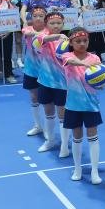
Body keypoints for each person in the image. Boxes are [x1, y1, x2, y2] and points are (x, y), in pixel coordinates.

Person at [58, 28, 105, 184]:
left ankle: (94, 171)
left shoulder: (95, 58)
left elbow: (100, 80)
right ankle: (77, 169)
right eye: (78, 41)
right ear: (71, 43)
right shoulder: (67, 56)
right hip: (73, 105)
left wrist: (101, 83)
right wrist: (84, 64)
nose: (82, 44)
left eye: (85, 40)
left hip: (91, 105)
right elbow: (71, 62)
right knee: (77, 137)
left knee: (93, 137)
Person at [34, 11, 70, 156]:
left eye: (59, 23)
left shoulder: (68, 41)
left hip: (62, 84)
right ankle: (50, 140)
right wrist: (56, 37)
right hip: (45, 81)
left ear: (63, 24)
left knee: (62, 115)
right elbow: (40, 40)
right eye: (52, 23)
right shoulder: (42, 36)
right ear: (46, 24)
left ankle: (65, 146)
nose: (56, 26)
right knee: (48, 112)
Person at [19, 6, 47, 133]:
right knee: (34, 97)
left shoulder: (49, 30)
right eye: (35, 16)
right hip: (31, 70)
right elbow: (27, 33)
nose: (38, 18)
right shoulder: (27, 29)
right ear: (31, 17)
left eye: (41, 16)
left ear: (45, 18)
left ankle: (46, 129)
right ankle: (38, 126)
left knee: (46, 101)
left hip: (46, 70)